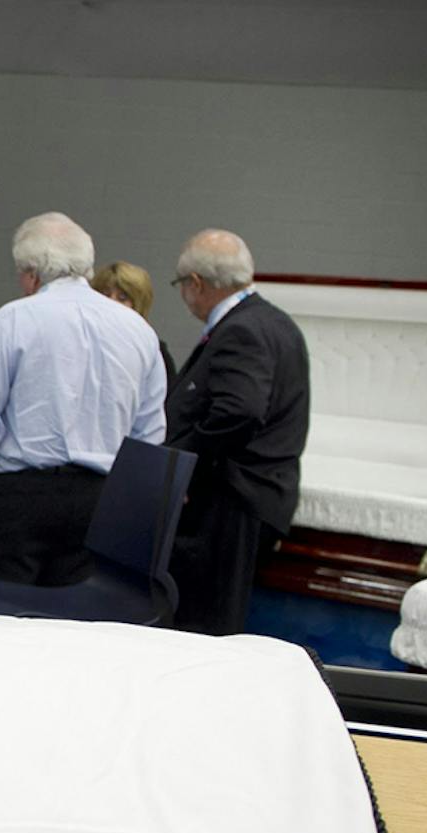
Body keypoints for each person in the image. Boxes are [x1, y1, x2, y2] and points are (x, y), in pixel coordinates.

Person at [0, 213, 167, 585]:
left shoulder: (12, 320)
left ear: (31, 273)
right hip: (100, 504)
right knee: (74, 628)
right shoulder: (140, 332)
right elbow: (150, 437)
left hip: (18, 500)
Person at [165, 229, 309, 635]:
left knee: (204, 626)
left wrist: (184, 466)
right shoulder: (277, 323)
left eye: (181, 286)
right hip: (252, 497)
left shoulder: (241, 329)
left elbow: (239, 412)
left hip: (230, 502)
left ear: (196, 284)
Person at [90, 260, 179, 391]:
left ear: (138, 304)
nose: (111, 302)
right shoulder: (84, 343)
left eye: (122, 298)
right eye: (105, 295)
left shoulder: (154, 351)